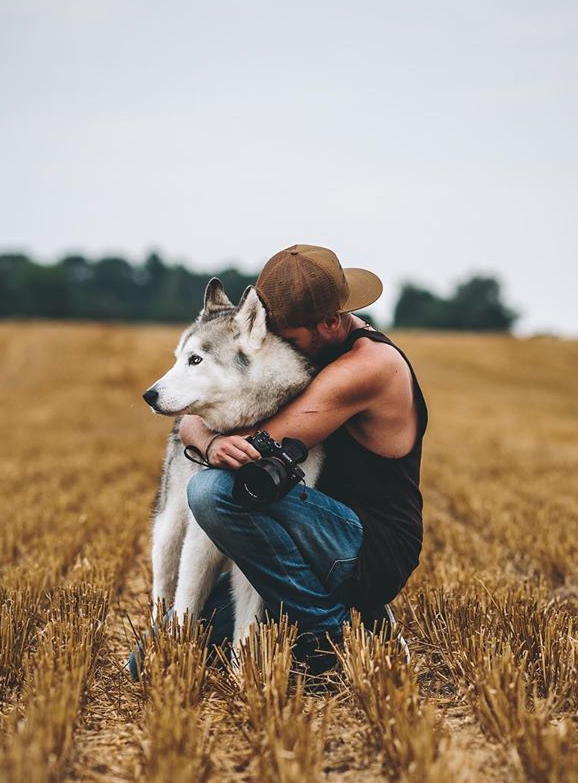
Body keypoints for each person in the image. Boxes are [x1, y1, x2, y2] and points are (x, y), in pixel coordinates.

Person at [176, 243, 430, 684]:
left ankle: (332, 635)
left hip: (365, 544)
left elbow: (258, 449)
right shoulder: (315, 354)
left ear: (331, 322)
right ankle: (363, 625)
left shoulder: (365, 366)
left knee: (213, 492)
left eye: (285, 337)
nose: (271, 346)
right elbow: (194, 422)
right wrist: (207, 437)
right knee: (164, 654)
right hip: (303, 533)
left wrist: (209, 439)